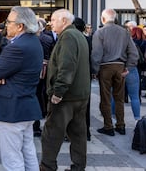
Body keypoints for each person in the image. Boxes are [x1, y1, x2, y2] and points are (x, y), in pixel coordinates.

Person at [0, 7, 43, 171]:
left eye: (9, 22)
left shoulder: (17, 47)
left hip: (12, 109)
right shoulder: (32, 41)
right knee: (28, 151)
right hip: (25, 106)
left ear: (20, 26)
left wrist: (0, 76)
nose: (6, 25)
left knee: (12, 158)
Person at [40, 9, 90, 171]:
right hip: (79, 95)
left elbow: (67, 66)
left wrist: (58, 92)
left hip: (66, 97)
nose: (51, 23)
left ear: (64, 20)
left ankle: (47, 167)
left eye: (53, 20)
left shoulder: (68, 36)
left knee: (52, 134)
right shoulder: (78, 35)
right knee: (78, 135)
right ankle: (78, 167)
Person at [91, 9, 138, 136]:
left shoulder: (99, 32)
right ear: (115, 18)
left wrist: (94, 70)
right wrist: (128, 66)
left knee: (105, 98)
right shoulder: (124, 32)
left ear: (103, 19)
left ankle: (108, 126)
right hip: (120, 66)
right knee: (119, 98)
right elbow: (133, 53)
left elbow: (96, 54)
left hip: (105, 67)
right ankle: (121, 125)